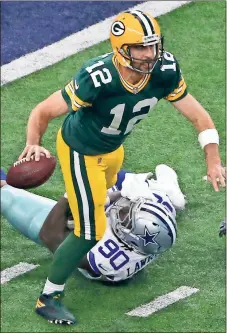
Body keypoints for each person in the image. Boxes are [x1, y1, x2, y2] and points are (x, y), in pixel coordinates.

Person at [17, 10, 225, 324]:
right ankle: (49, 296)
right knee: (92, 232)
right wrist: (34, 142)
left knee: (103, 202)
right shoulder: (98, 75)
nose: (149, 54)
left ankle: (79, 209)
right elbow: (43, 110)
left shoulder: (164, 70)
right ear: (121, 49)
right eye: (140, 47)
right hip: (81, 151)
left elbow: (199, 117)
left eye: (152, 45)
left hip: (113, 150)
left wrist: (213, 160)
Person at [1, 164, 183, 284]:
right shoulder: (156, 217)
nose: (123, 208)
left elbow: (49, 237)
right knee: (121, 181)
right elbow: (124, 194)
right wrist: (116, 194)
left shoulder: (108, 259)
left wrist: (69, 196)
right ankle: (170, 191)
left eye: (126, 213)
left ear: (131, 236)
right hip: (123, 230)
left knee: (5, 197)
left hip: (89, 243)